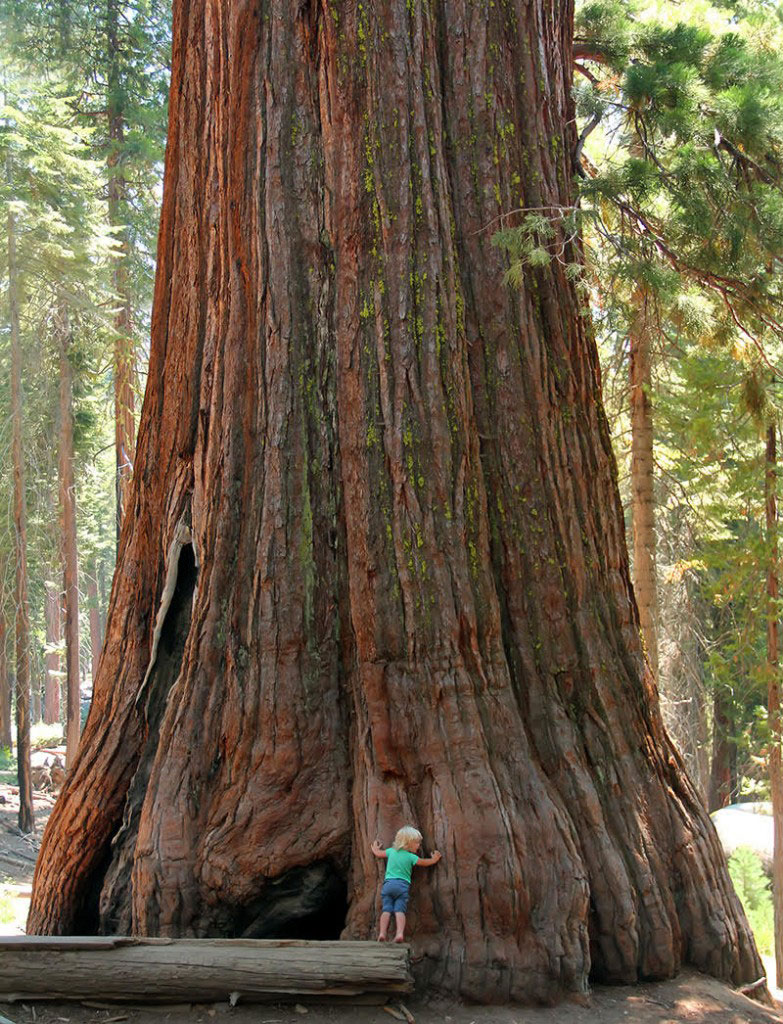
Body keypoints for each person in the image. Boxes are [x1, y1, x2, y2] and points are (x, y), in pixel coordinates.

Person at [371, 825, 442, 942]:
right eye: (417, 843)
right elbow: (424, 862)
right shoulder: (411, 857)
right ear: (408, 843)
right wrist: (434, 859)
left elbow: (379, 854)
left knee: (386, 910)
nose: (419, 846)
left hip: (388, 885)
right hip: (402, 887)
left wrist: (375, 849)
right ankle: (399, 934)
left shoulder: (391, 851)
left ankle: (382, 934)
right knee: (399, 910)